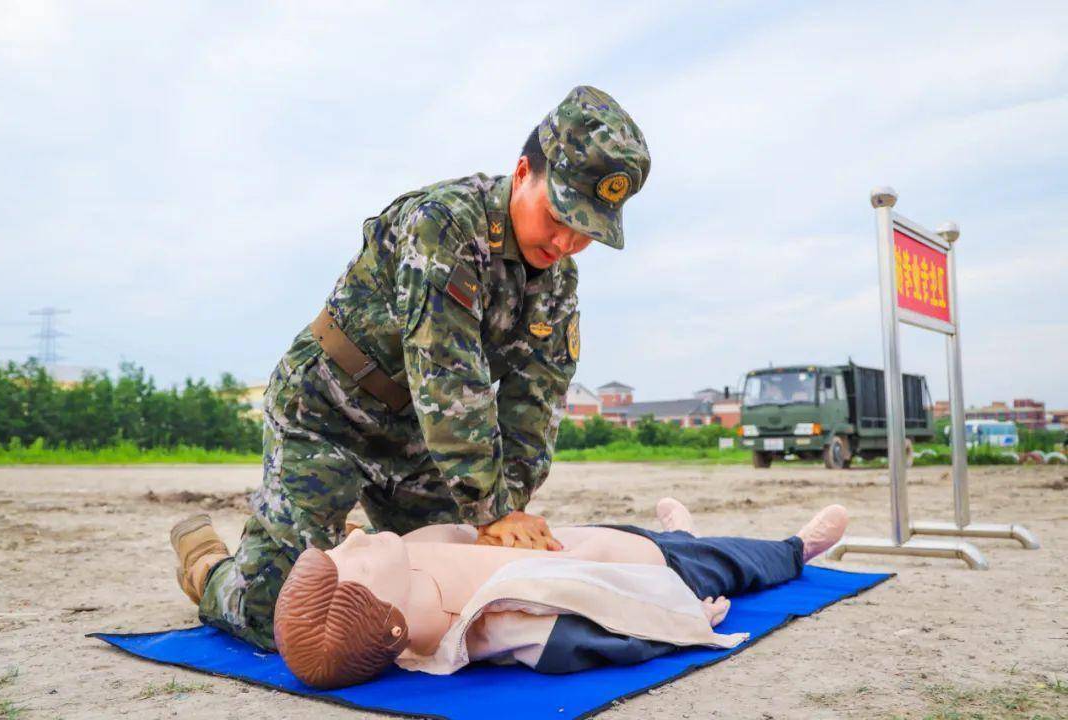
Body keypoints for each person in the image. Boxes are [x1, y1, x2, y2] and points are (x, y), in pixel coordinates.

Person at [170, 85, 652, 652]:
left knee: (439, 593)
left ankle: (344, 544)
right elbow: (448, 376)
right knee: (284, 618)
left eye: (588, 230)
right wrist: (489, 506)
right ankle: (210, 567)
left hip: (417, 444)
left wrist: (508, 513)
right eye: (559, 214)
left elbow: (534, 403)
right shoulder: (444, 226)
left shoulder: (556, 283)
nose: (567, 240)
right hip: (326, 418)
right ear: (524, 172)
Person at [272, 499, 849, 687]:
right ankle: (797, 547)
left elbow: (462, 531)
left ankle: (681, 529)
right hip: (654, 569)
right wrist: (681, 619)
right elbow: (593, 638)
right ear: (389, 622)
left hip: (592, 540)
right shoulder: (490, 620)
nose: (352, 538)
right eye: (352, 563)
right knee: (735, 561)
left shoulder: (405, 555)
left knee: (669, 536)